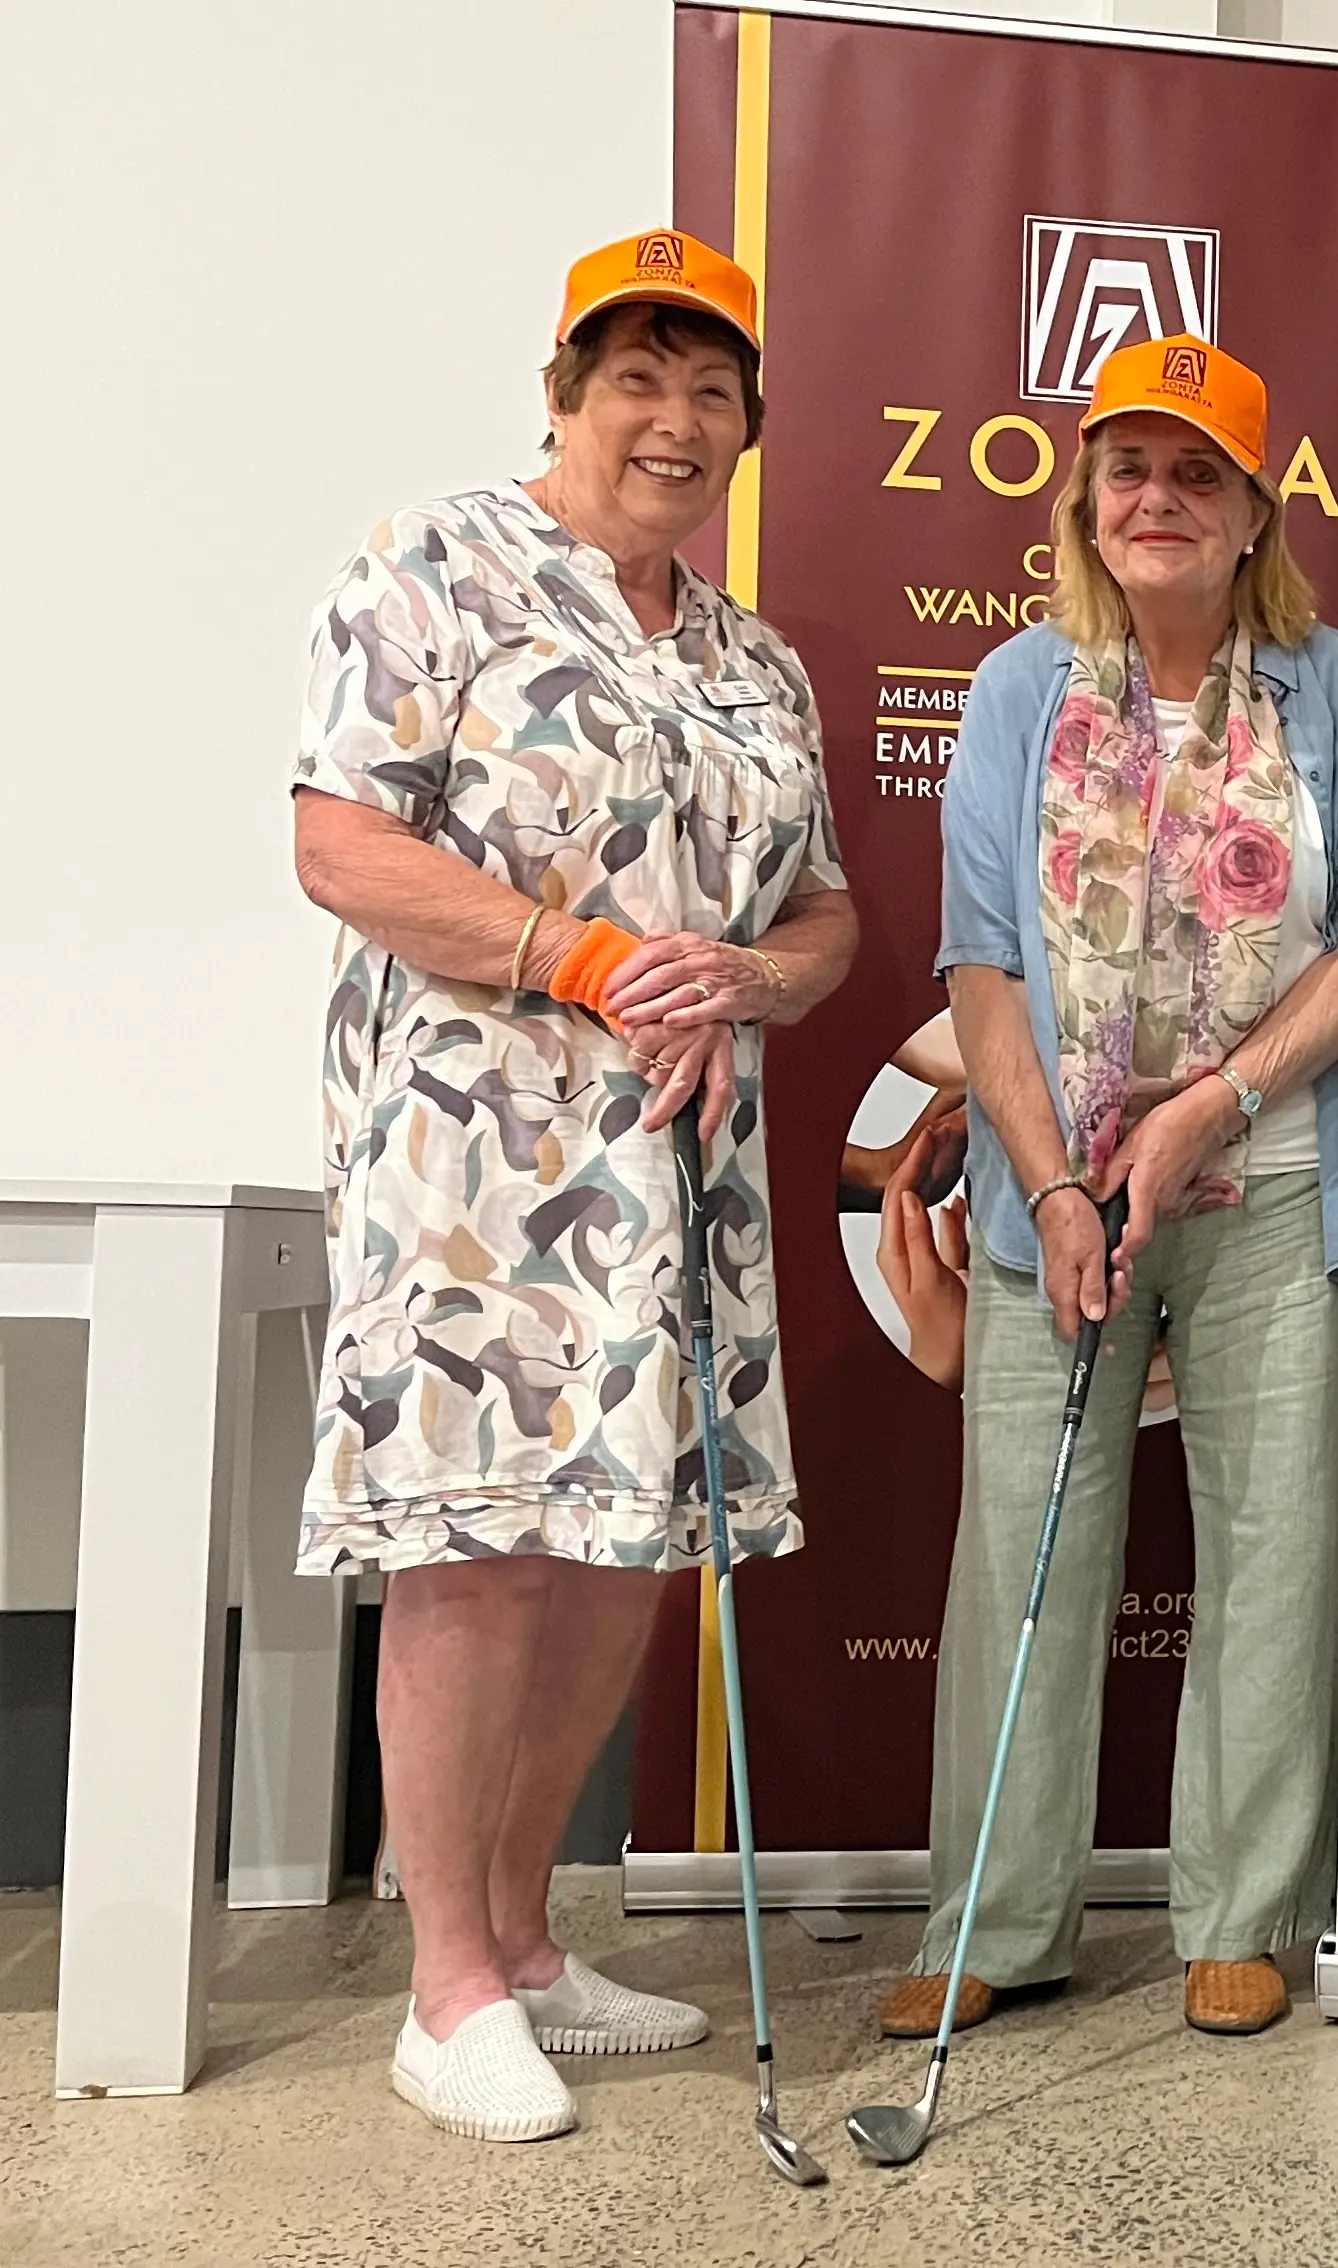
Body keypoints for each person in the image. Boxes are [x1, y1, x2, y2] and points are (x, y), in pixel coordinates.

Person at [289, 228, 857, 2142]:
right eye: (636, 379)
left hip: (680, 1166)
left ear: (750, 430)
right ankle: (441, 1986)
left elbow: (828, 909)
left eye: (712, 391)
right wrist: (591, 957)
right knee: (476, 1542)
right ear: (563, 395)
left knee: (619, 1542)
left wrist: (759, 975)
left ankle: (529, 1942)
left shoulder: (749, 651)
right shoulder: (431, 563)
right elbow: (340, 844)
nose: (673, 421)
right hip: (475, 1154)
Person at [882, 333, 1338, 2043]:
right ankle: (994, 1918)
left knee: (1268, 1557)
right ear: (1088, 503)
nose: (1158, 499)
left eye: (1198, 475)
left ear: (1253, 514)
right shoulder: (1021, 690)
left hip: (1281, 1189)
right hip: (1050, 1212)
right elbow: (981, 962)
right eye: (1128, 469)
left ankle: (1241, 1911)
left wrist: (1208, 1110)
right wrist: (1054, 1180)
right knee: (1023, 1552)